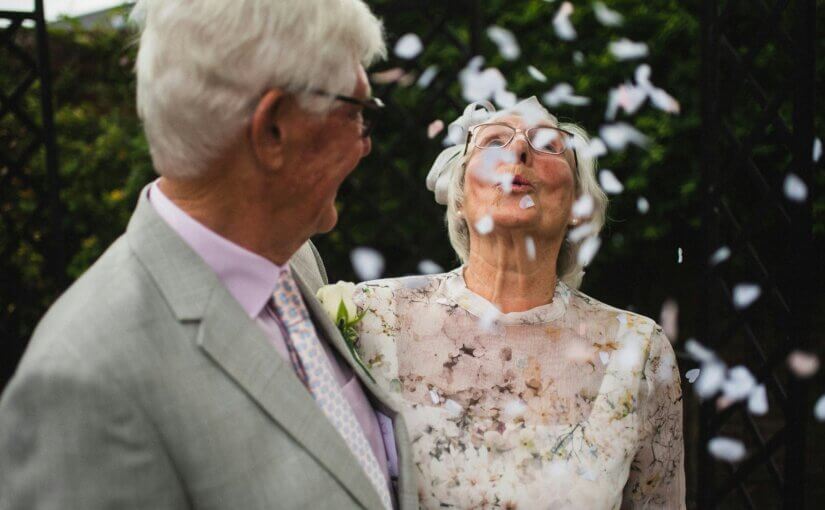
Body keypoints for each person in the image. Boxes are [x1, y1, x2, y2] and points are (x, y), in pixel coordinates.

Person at [0, 1, 417, 509]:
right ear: (274, 130)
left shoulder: (294, 259)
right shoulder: (84, 383)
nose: (365, 143)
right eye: (356, 113)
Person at [322, 97, 685, 508]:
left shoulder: (637, 351)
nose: (518, 151)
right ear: (458, 199)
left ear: (578, 207)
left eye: (547, 143)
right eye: (494, 140)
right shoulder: (369, 317)